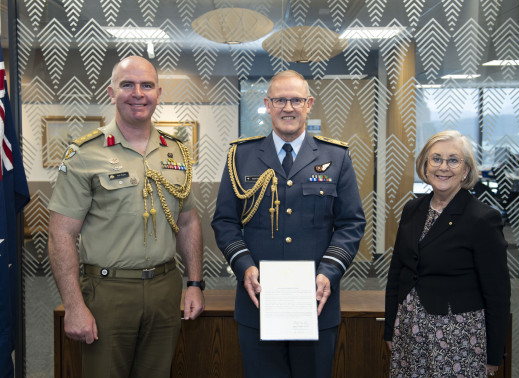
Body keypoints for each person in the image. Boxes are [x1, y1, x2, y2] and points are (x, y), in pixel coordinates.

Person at [48, 55, 205, 378]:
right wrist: (74, 307)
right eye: (127, 85)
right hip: (108, 292)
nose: (138, 93)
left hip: (164, 289)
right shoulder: (85, 154)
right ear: (111, 92)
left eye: (147, 85)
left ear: (159, 93)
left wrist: (194, 283)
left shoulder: (175, 151)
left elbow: (188, 222)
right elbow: (60, 235)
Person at [211, 70, 366, 378]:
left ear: (308, 104)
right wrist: (245, 267)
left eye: (296, 100)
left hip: (315, 303)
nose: (288, 108)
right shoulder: (240, 156)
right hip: (258, 302)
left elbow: (351, 223)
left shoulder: (336, 156)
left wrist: (329, 272)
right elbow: (225, 221)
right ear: (267, 105)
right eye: (280, 100)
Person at [384, 130, 511, 377]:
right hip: (409, 331)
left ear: (466, 170)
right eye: (436, 159)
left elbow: (497, 294)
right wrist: (391, 328)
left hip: (458, 338)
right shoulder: (412, 208)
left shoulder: (483, 219)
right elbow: (397, 273)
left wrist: (494, 353)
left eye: (453, 160)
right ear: (425, 165)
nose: (444, 167)